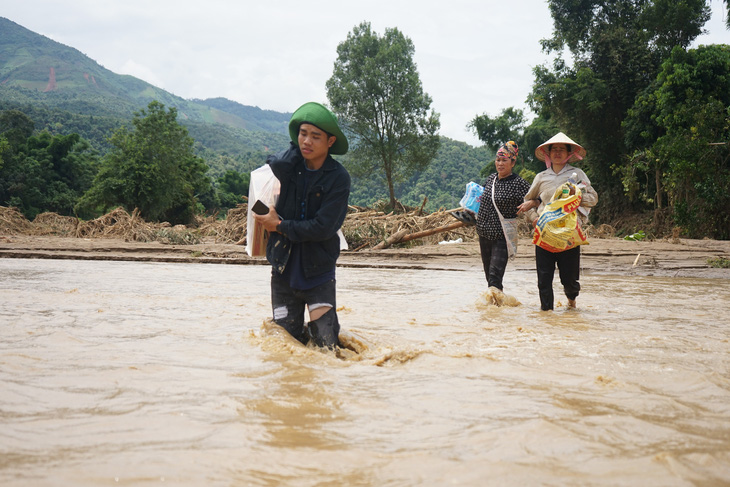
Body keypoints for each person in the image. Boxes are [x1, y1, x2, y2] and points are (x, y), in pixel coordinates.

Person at [253, 102, 350, 349]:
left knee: (326, 346)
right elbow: (274, 164)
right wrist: (295, 151)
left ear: (330, 142)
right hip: (283, 271)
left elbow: (323, 227)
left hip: (318, 273)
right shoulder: (289, 170)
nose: (307, 141)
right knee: (286, 346)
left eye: (315, 136)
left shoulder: (338, 178)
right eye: (302, 134)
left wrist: (280, 226)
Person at [517, 132, 598, 311]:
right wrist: (535, 219)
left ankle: (571, 301)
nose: (558, 153)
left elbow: (593, 198)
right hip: (544, 234)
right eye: (554, 150)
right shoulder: (541, 177)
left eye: (562, 149)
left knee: (569, 280)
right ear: (548, 154)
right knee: (544, 280)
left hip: (569, 234)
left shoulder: (577, 175)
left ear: (569, 153)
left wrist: (576, 195)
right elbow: (527, 202)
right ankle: (547, 315)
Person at [475, 141, 530, 294]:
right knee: (489, 278)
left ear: (512, 162)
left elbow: (535, 198)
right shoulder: (491, 179)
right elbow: (482, 202)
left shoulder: (519, 183)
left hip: (502, 237)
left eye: (504, 160)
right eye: (498, 160)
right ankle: (497, 310)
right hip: (484, 234)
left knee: (494, 276)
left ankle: (496, 309)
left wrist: (534, 205)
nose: (500, 163)